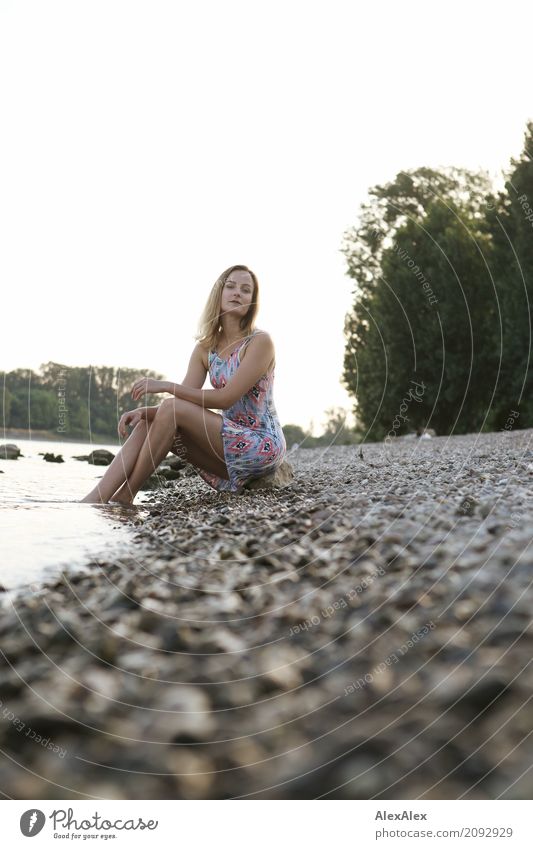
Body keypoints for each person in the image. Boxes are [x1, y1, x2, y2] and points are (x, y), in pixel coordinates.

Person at [80, 264, 287, 504]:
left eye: (245, 289)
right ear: (218, 294)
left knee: (170, 407)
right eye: (230, 287)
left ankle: (126, 495)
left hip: (261, 446)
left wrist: (166, 386)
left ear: (252, 301)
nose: (237, 293)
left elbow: (224, 398)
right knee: (150, 422)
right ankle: (96, 499)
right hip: (226, 447)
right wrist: (146, 412)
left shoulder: (260, 342)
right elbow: (181, 405)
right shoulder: (205, 348)